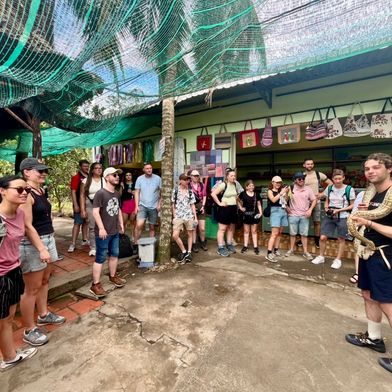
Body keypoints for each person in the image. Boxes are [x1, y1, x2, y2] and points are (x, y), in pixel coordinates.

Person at [344, 153, 392, 374]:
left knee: (388, 304)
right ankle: (374, 338)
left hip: (385, 256)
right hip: (367, 253)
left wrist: (368, 222)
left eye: (376, 167)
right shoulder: (371, 194)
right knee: (368, 295)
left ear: (389, 169)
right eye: (367, 168)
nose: (370, 172)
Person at [19, 158, 65, 347]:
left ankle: (44, 315)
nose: (43, 173)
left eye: (45, 170)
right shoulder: (25, 194)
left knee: (45, 281)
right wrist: (41, 248)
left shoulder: (40, 191)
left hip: (48, 238)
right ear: (26, 172)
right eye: (39, 171)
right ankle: (29, 329)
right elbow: (27, 226)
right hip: (33, 244)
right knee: (31, 289)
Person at [0, 175, 37, 371]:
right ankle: (8, 356)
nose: (24, 193)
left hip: (14, 269)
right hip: (1, 275)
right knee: (3, 317)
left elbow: (27, 231)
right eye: (19, 190)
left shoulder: (20, 214)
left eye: (27, 190)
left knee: (9, 316)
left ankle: (9, 356)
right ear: (2, 191)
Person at [90, 167, 126, 298]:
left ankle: (113, 276)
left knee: (114, 255)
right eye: (114, 175)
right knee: (100, 257)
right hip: (103, 232)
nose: (117, 177)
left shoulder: (116, 193)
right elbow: (95, 212)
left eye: (118, 175)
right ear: (106, 177)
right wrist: (101, 228)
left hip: (114, 231)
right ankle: (95, 284)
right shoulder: (100, 193)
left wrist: (121, 223)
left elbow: (119, 209)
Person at [311, 169, 355, 269]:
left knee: (341, 238)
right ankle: (321, 256)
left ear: (343, 178)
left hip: (343, 216)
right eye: (335, 179)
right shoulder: (330, 188)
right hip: (330, 216)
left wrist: (339, 211)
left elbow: (352, 205)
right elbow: (327, 200)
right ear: (333, 179)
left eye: (340, 178)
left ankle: (338, 259)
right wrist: (326, 208)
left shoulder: (349, 189)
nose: (338, 180)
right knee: (322, 237)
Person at [285, 172, 317, 260]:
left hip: (304, 216)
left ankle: (305, 252)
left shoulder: (308, 189)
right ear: (295, 180)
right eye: (299, 179)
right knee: (292, 234)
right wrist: (287, 207)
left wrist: (310, 209)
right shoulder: (290, 188)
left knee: (304, 234)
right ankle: (291, 250)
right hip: (293, 215)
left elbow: (314, 200)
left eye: (303, 178)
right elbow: (283, 200)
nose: (302, 180)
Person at [211, 168, 241, 257]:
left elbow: (237, 196)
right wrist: (220, 203)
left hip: (233, 209)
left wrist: (239, 206)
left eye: (234, 175)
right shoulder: (223, 184)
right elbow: (213, 194)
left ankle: (229, 244)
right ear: (227, 177)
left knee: (231, 228)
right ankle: (220, 248)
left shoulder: (235, 184)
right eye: (231, 176)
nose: (233, 177)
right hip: (225, 209)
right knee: (222, 229)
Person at [303, 158, 333, 248]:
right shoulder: (302, 175)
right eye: (308, 164)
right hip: (304, 202)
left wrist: (323, 193)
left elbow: (331, 183)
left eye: (311, 164)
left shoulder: (318, 174)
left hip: (316, 201)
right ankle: (302, 239)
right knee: (304, 221)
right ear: (304, 165)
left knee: (317, 222)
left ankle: (317, 240)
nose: (310, 165)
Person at [171, 173, 198, 263]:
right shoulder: (175, 191)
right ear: (181, 180)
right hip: (178, 216)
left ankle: (189, 252)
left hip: (189, 215)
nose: (188, 181)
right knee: (175, 235)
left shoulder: (190, 191)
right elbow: (173, 205)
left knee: (190, 234)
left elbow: (193, 205)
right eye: (186, 180)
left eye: (188, 180)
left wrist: (195, 217)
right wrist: (174, 216)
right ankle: (184, 251)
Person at [80, 162, 104, 257]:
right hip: (91, 205)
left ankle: (103, 245)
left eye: (100, 168)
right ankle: (93, 247)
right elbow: (82, 195)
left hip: (102, 205)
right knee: (93, 227)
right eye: (96, 168)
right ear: (92, 170)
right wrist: (83, 209)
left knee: (104, 226)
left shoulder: (104, 180)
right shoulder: (86, 181)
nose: (99, 170)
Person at [134, 162, 162, 243]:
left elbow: (162, 192)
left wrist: (159, 204)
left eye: (150, 168)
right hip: (142, 205)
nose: (149, 170)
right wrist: (136, 205)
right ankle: (136, 243)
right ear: (143, 170)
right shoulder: (139, 179)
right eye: (147, 168)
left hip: (154, 206)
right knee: (139, 225)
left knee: (152, 227)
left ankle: (151, 246)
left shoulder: (158, 178)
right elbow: (137, 192)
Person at [265, 176, 289, 262]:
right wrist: (281, 192)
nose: (278, 184)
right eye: (276, 182)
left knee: (279, 233)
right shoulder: (270, 191)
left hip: (283, 211)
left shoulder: (281, 191)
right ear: (272, 182)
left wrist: (285, 193)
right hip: (275, 212)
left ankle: (276, 250)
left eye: (279, 182)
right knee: (274, 234)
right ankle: (269, 253)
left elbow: (285, 201)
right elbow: (273, 200)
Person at [68, 159, 90, 252]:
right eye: (85, 166)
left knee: (86, 222)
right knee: (77, 223)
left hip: (88, 204)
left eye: (88, 166)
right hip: (79, 203)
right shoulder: (76, 177)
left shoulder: (89, 177)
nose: (86, 168)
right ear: (80, 167)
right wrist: (76, 205)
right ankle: (73, 243)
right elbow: (73, 191)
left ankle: (85, 240)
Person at [238, 180, 262, 255]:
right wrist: (241, 208)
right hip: (246, 215)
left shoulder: (256, 194)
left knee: (254, 231)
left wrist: (260, 212)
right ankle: (245, 246)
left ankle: (255, 247)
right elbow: (237, 200)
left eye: (252, 185)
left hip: (254, 215)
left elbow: (258, 204)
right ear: (246, 187)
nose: (251, 187)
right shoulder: (243, 194)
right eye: (250, 186)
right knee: (246, 231)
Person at [189, 170, 208, 252]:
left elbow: (204, 196)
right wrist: (191, 208)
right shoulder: (188, 186)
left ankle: (203, 242)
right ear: (191, 176)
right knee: (193, 227)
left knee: (202, 228)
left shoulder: (201, 185)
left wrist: (203, 206)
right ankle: (194, 244)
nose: (196, 177)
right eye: (194, 176)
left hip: (200, 206)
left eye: (197, 176)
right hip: (191, 206)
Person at [349, 190, 365, 284]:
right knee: (358, 248)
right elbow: (355, 211)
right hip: (362, 226)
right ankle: (358, 273)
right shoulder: (362, 193)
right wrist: (352, 226)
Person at [120, 172, 136, 241]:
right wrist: (122, 187)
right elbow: (120, 195)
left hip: (133, 203)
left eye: (130, 175)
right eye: (127, 175)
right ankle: (123, 236)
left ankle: (133, 236)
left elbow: (138, 194)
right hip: (125, 204)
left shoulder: (135, 184)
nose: (128, 176)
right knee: (124, 222)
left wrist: (133, 192)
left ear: (132, 176)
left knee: (133, 221)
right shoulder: (122, 184)